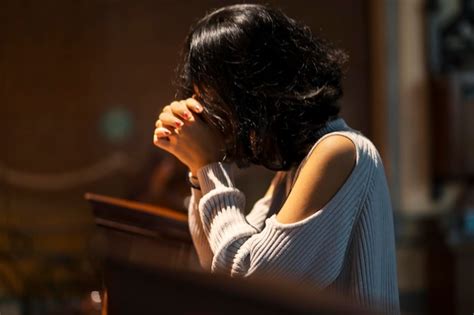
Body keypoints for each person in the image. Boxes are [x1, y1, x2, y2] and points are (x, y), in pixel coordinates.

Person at [153, 3, 399, 314]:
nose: (211, 113)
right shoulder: (298, 163)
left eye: (213, 99)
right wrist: (196, 169)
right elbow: (218, 262)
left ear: (255, 91)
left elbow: (250, 280)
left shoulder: (337, 151)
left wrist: (208, 166)